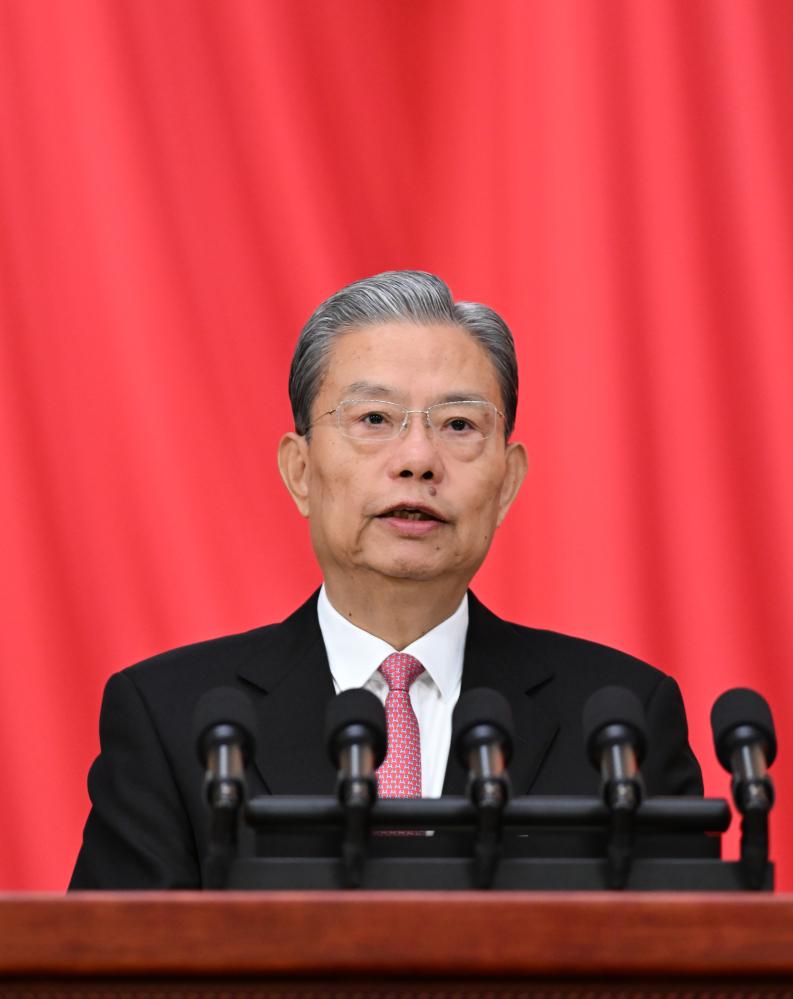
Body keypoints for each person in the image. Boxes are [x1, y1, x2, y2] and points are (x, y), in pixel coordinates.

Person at [70, 270, 702, 889]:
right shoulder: (171, 720)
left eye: (458, 425)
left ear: (507, 483)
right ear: (300, 470)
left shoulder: (620, 723)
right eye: (374, 419)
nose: (418, 460)